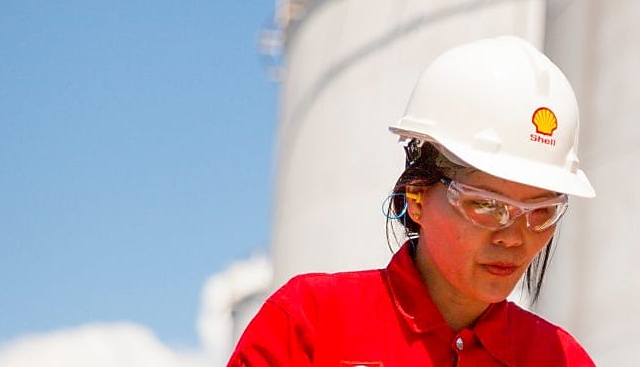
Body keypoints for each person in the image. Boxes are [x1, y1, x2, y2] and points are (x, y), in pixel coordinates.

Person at [230, 36, 597, 366]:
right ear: (417, 196)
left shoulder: (562, 359)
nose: (514, 237)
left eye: (540, 211)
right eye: (487, 205)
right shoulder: (309, 324)